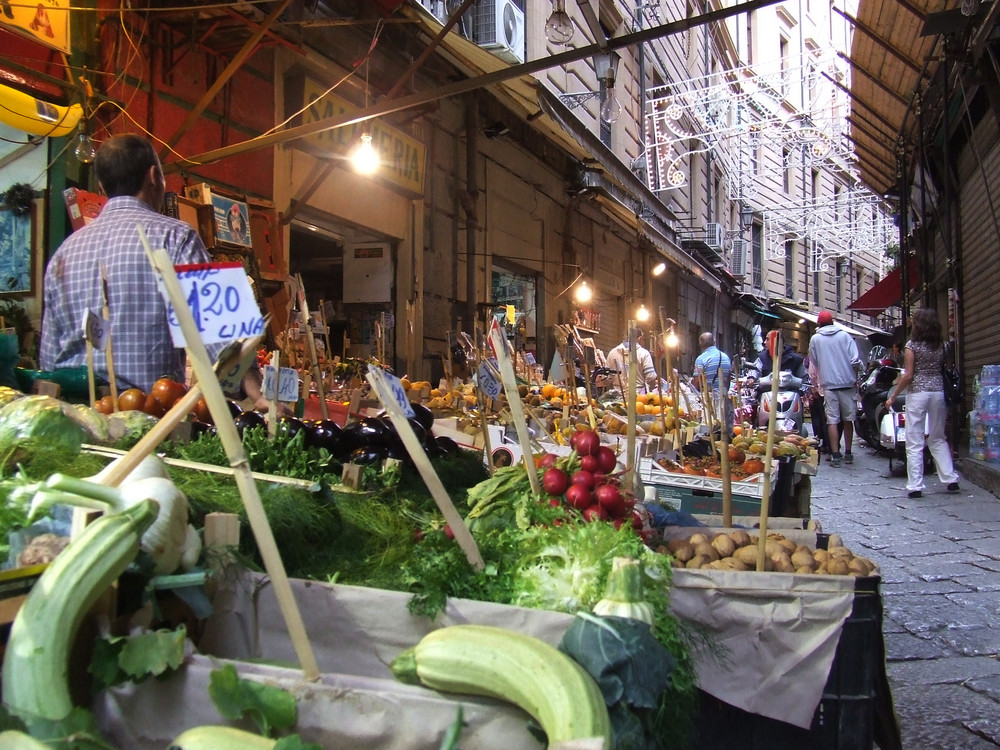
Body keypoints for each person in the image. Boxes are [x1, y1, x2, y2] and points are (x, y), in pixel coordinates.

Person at [40, 134, 273, 409]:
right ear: (153, 176)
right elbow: (224, 332)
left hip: (73, 417)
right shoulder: (176, 237)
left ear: (102, 186)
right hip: (145, 421)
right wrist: (258, 394)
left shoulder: (63, 253)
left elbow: (49, 360)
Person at [883, 308, 961, 498]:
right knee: (937, 437)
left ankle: (915, 485)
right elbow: (947, 368)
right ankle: (950, 478)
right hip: (938, 393)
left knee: (914, 439)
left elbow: (908, 375)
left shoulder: (912, 346)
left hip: (918, 393)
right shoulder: (943, 346)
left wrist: (893, 396)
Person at [808, 310, 862, 467]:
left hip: (829, 384)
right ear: (832, 322)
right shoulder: (845, 336)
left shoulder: (816, 339)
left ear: (819, 324)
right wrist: (854, 376)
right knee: (848, 420)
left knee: (832, 420)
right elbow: (855, 359)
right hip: (847, 383)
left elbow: (815, 361)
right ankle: (849, 452)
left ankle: (835, 454)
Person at [694, 332, 733, 431]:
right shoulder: (725, 357)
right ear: (714, 342)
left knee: (709, 427)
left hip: (709, 397)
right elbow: (728, 379)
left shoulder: (701, 359)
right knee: (722, 426)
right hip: (723, 395)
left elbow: (697, 382)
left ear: (700, 344)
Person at [604, 326, 659, 395]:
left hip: (618, 397)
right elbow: (651, 376)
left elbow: (606, 378)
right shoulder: (644, 353)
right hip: (638, 397)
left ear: (625, 336)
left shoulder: (613, 353)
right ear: (639, 338)